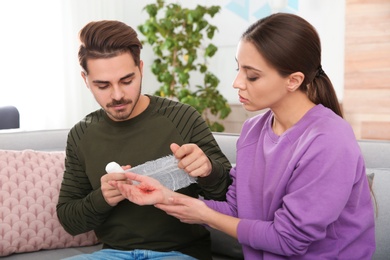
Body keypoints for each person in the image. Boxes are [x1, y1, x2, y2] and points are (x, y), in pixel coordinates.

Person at [112, 13, 376, 259]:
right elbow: (239, 212)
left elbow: (289, 240)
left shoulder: (329, 141)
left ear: (293, 80)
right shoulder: (253, 130)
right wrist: (165, 196)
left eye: (252, 76)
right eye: (239, 69)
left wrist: (206, 215)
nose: (237, 82)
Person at [56, 20, 232, 260]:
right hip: (113, 254)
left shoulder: (183, 118)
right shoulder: (81, 134)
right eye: (103, 85)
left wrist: (208, 170)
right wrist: (103, 197)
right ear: (86, 80)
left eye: (127, 80)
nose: (117, 95)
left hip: (180, 254)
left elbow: (227, 197)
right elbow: (69, 220)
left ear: (140, 68)